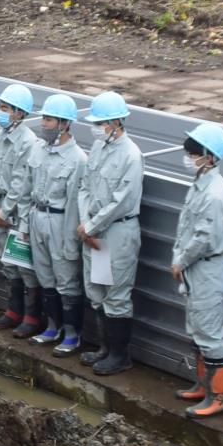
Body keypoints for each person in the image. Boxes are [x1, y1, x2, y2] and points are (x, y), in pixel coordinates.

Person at [170, 122, 223, 419]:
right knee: (196, 330)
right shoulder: (200, 184)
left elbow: (203, 238)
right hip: (193, 267)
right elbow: (186, 228)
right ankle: (202, 386)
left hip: (207, 268)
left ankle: (218, 397)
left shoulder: (215, 193)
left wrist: (180, 261)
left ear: (209, 156)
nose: (188, 155)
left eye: (193, 152)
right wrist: (180, 260)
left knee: (209, 333)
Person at [75, 90, 144, 376]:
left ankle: (120, 355)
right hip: (93, 232)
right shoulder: (99, 149)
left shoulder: (131, 155)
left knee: (116, 292)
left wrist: (91, 226)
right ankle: (105, 348)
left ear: (116, 122)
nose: (96, 128)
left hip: (117, 231)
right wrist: (85, 224)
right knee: (98, 290)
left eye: (101, 123)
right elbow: (85, 188)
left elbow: (122, 200)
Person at [26, 94, 87, 355]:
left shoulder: (77, 159)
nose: (44, 124)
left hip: (61, 220)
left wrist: (70, 237)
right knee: (45, 275)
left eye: (49, 119)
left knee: (66, 279)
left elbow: (76, 202)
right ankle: (52, 326)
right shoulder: (38, 149)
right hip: (37, 215)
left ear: (64, 124)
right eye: (44, 118)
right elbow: (28, 186)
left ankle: (72, 334)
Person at [0, 84, 42, 337]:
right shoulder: (1, 137)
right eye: (0, 107)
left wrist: (5, 212)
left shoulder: (28, 142)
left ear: (19, 113)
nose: (0, 112)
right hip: (1, 214)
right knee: (8, 264)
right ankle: (13, 311)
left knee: (25, 267)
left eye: (5, 108)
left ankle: (32, 317)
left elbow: (21, 183)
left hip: (18, 216)